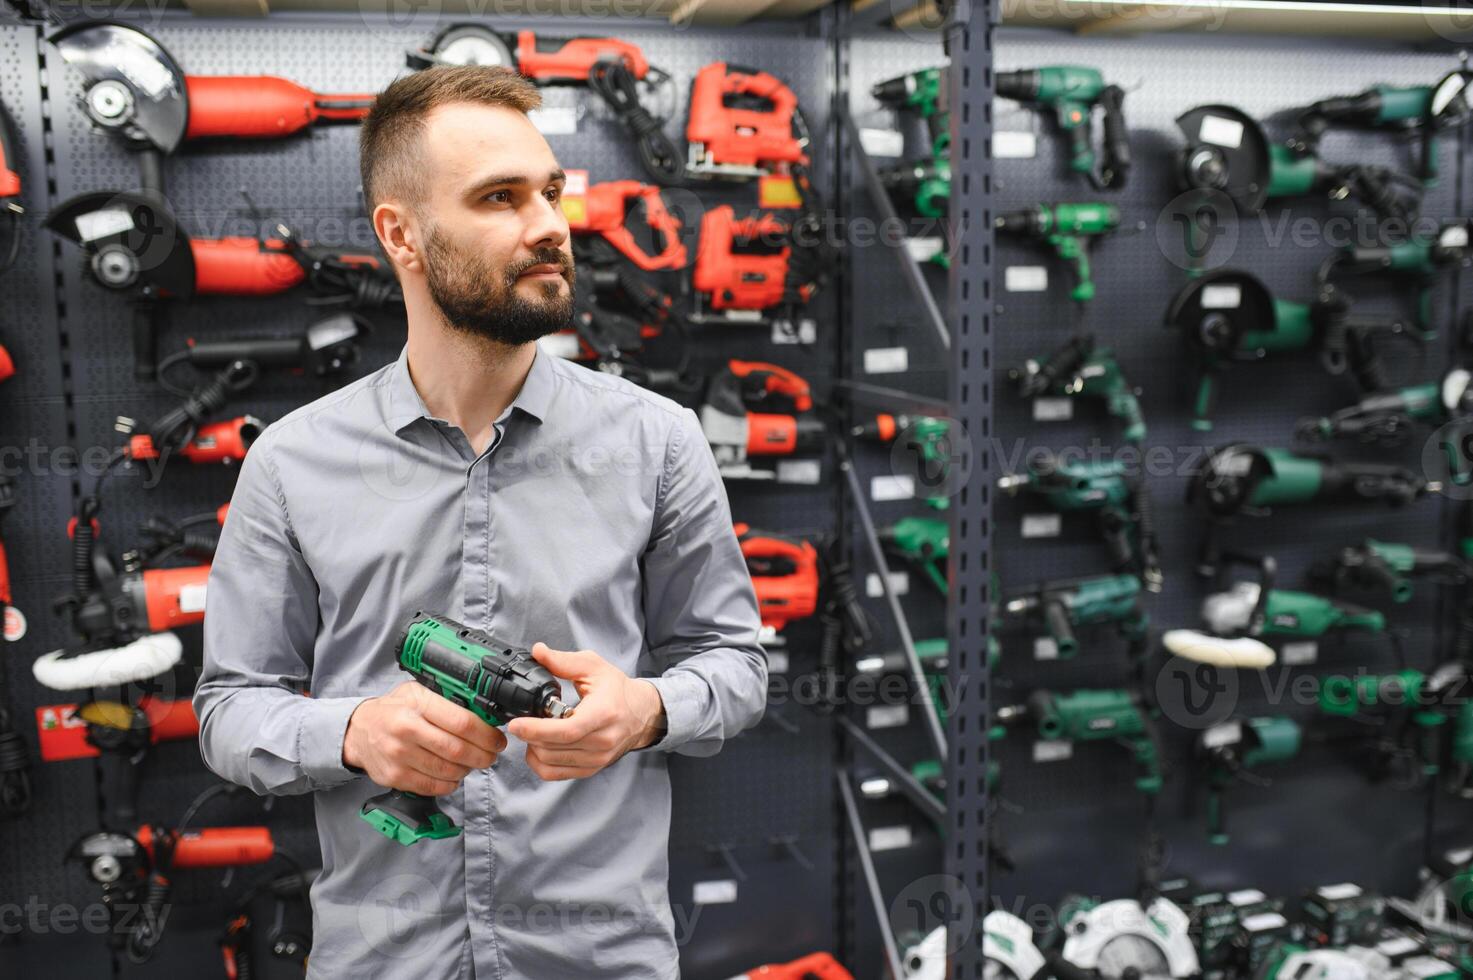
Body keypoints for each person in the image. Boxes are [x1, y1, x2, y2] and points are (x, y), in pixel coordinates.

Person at [193, 64, 768, 979]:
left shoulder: (656, 441)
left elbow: (737, 664)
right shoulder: (292, 462)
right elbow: (227, 711)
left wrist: (646, 709)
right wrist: (351, 734)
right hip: (384, 958)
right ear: (402, 233)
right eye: (499, 198)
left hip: (596, 957)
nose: (548, 225)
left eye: (549, 191)